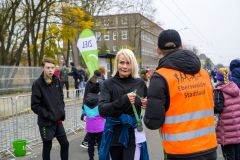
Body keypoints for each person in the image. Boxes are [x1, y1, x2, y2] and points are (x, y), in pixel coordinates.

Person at [144, 29, 217, 160]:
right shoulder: (205, 74)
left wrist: (151, 106)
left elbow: (153, 123)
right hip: (209, 148)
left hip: (180, 152)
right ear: (182, 47)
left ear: (158, 50)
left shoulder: (160, 77)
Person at [98, 49, 149, 160]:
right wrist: (123, 100)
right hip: (114, 133)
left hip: (133, 133)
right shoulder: (108, 84)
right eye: (121, 62)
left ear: (133, 65)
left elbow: (149, 104)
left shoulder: (140, 83)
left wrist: (148, 104)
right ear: (117, 63)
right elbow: (102, 109)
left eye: (128, 63)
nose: (124, 66)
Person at [31, 58, 69, 160]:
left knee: (65, 144)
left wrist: (61, 110)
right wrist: (49, 115)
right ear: (42, 68)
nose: (50, 70)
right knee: (47, 147)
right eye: (48, 68)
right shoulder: (37, 84)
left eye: (52, 67)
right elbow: (35, 106)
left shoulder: (56, 80)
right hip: (46, 122)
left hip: (58, 120)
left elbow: (61, 97)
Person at [213, 68, 240, 160]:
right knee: (237, 154)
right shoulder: (236, 88)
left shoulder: (219, 91)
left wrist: (208, 108)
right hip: (237, 127)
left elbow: (218, 108)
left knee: (229, 155)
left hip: (226, 130)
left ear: (218, 77)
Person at [80, 70, 104, 149]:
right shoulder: (99, 82)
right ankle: (87, 141)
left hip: (88, 102)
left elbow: (85, 92)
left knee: (92, 123)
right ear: (100, 75)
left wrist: (83, 108)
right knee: (96, 124)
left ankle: (90, 142)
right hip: (95, 103)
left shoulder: (89, 81)